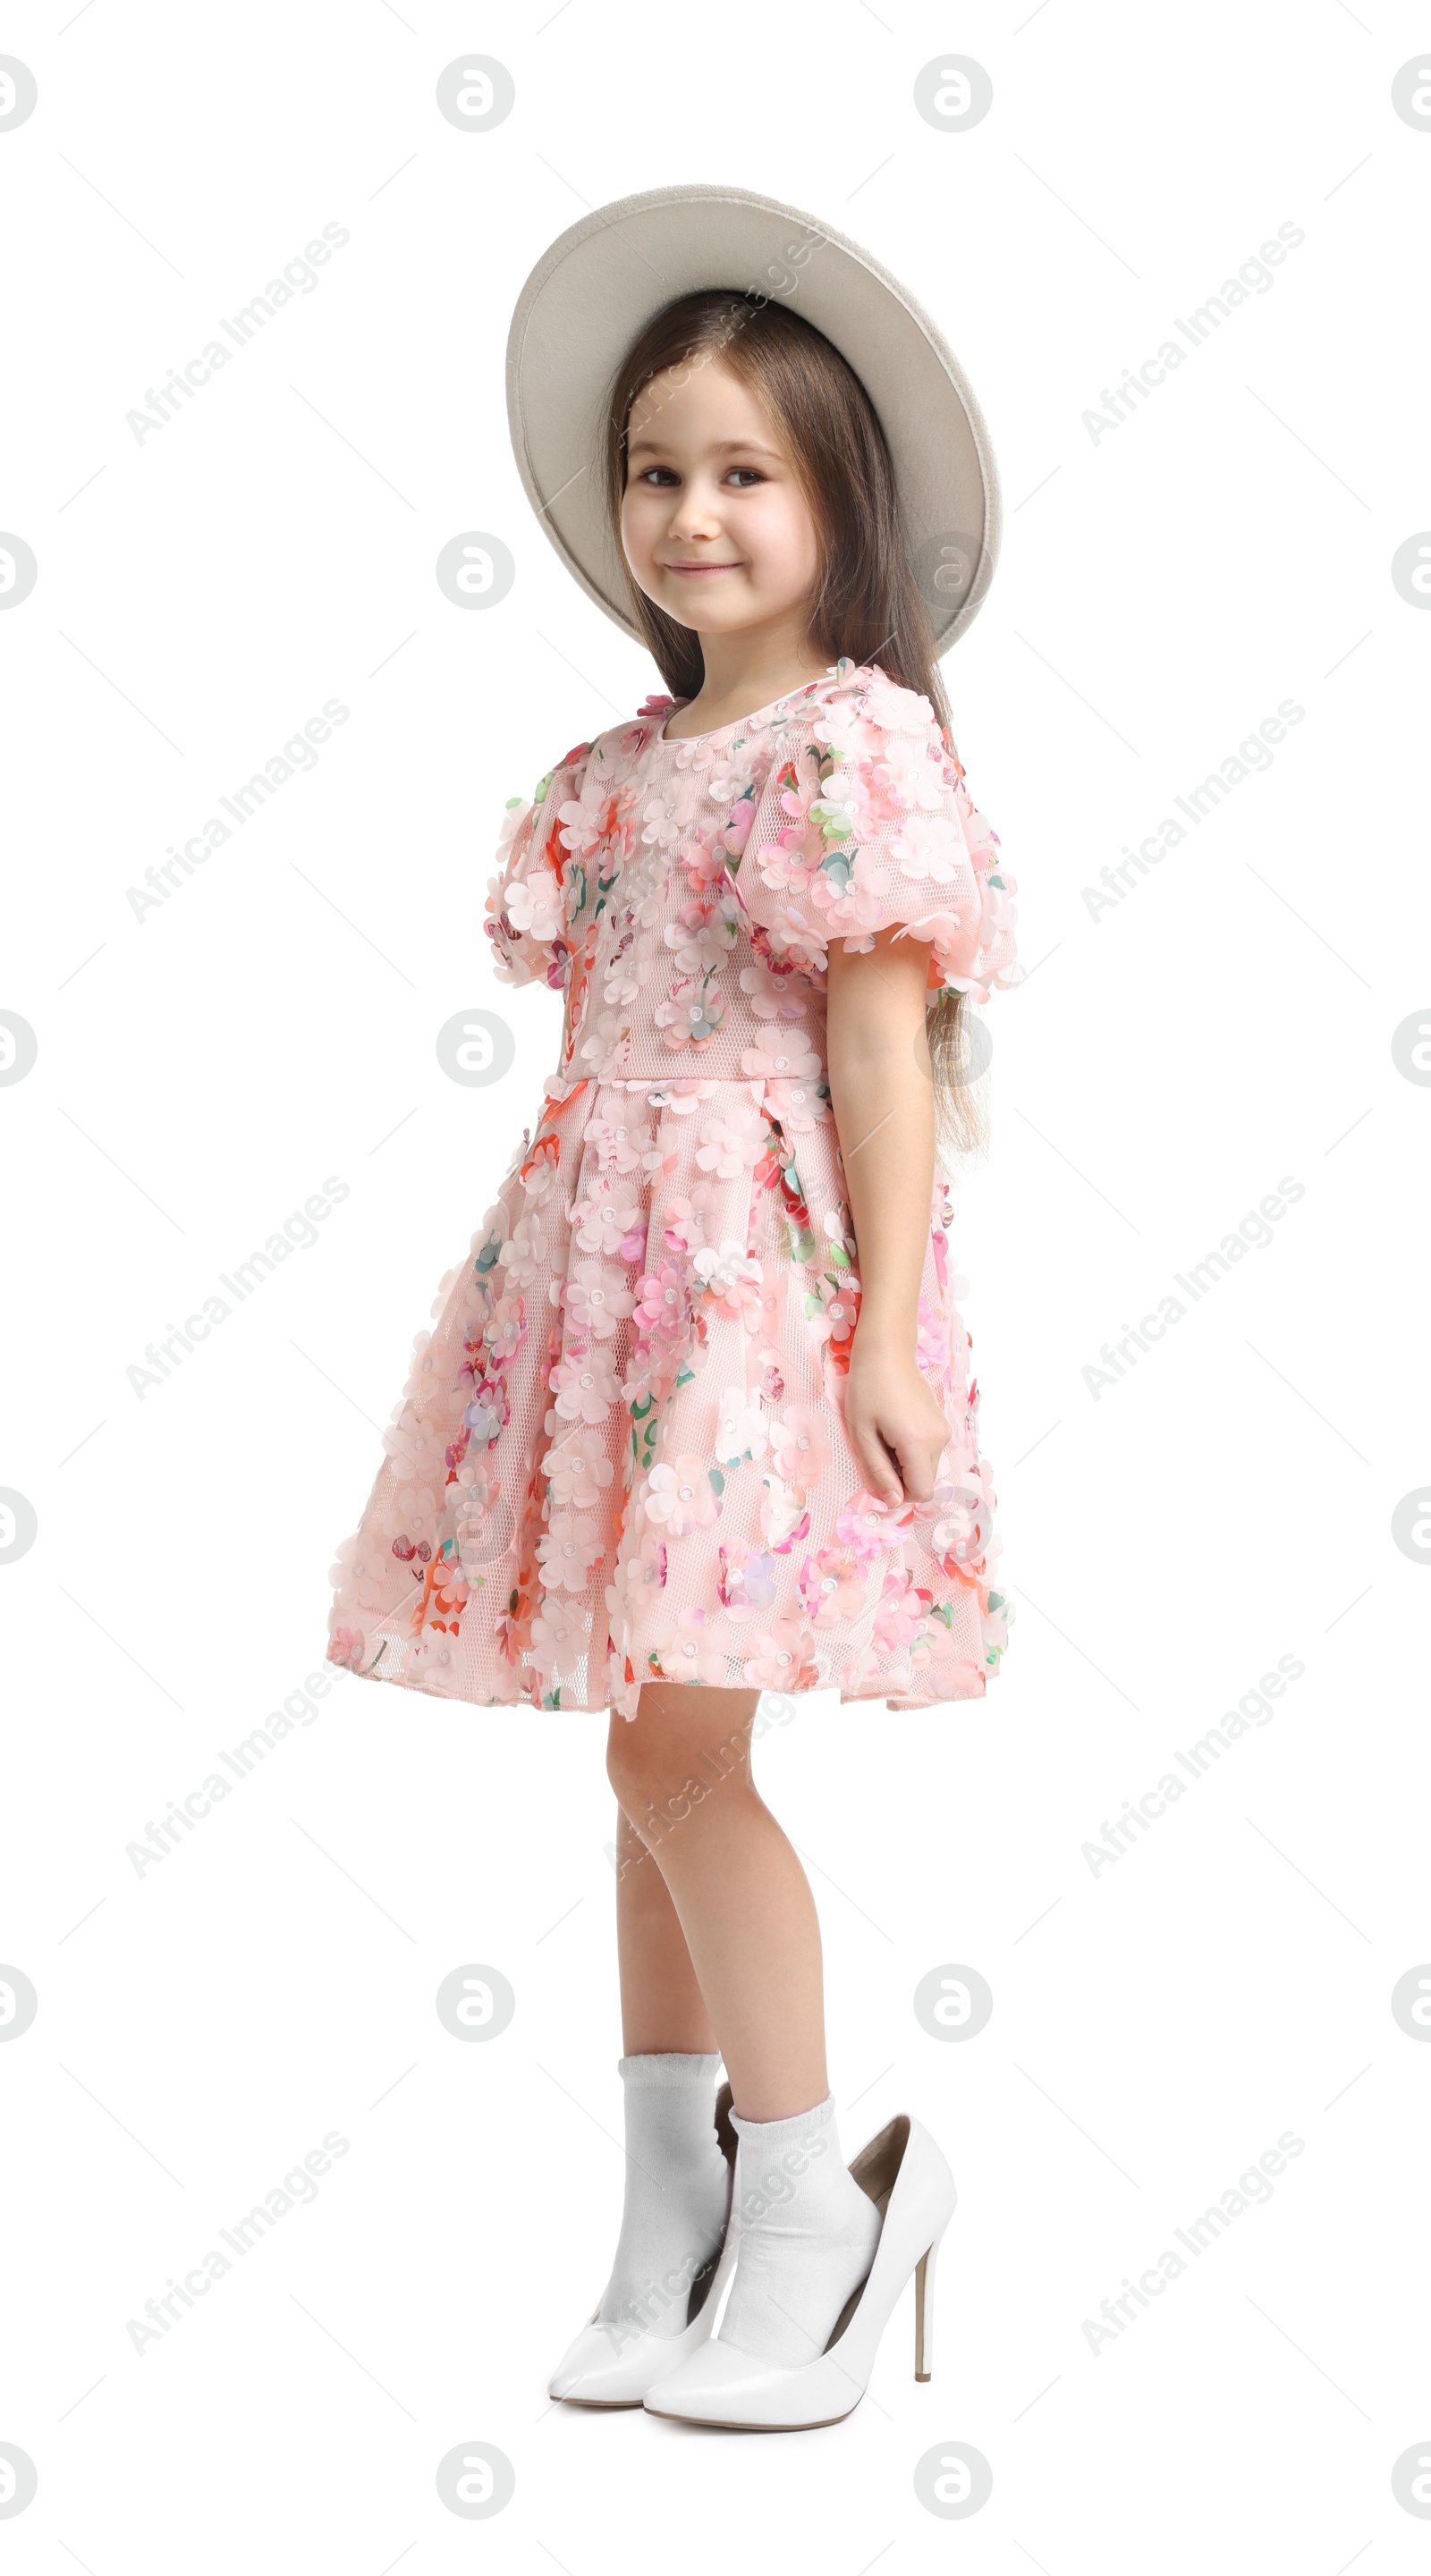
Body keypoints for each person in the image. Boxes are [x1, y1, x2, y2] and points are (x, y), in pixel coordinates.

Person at [326, 188, 1021, 2431]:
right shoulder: (614, 779)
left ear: (833, 502)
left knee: (675, 1747)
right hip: (598, 1291)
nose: (693, 511)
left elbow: (879, 1049)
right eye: (658, 470)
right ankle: (670, 2212)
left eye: (744, 470)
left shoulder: (851, 751)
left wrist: (885, 1337)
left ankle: (813, 2195)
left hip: (751, 1301)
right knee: (641, 1757)